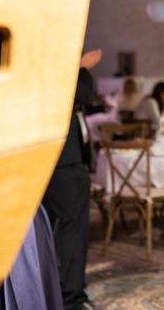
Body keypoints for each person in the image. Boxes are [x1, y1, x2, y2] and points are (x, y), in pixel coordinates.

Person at [43, 48, 102, 310]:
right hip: (62, 161)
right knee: (72, 230)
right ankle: (71, 298)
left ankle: (48, 289)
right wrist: (82, 67)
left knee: (46, 230)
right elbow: (80, 94)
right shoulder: (53, 67)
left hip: (47, 158)